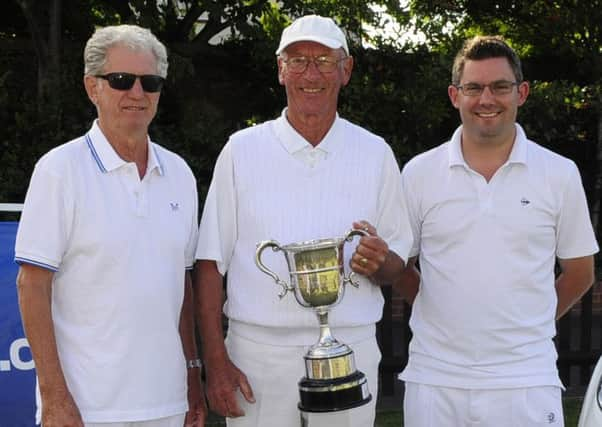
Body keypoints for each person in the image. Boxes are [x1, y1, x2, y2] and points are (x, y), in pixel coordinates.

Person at [194, 14, 412, 427]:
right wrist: (216, 363)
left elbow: (397, 263)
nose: (311, 74)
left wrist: (379, 261)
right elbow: (209, 263)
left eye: (325, 61)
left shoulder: (375, 152)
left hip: (350, 349)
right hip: (257, 355)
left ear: (345, 71)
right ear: (281, 70)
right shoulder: (241, 151)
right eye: (298, 61)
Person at [398, 35, 599, 427]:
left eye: (500, 86)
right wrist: (438, 310)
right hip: (436, 380)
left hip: (525, 380)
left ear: (521, 92)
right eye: (474, 87)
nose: (486, 99)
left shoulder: (559, 174)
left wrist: (531, 324)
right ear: (455, 95)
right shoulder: (418, 173)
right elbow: (400, 265)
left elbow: (580, 272)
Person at [15, 25, 206, 427]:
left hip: (167, 404)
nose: (137, 93)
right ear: (92, 87)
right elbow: (32, 286)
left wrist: (192, 378)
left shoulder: (181, 175)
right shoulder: (59, 171)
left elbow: (182, 285)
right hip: (87, 409)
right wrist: (54, 397)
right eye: (121, 80)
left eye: (150, 82)